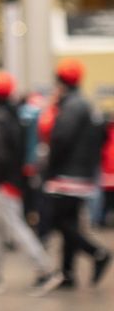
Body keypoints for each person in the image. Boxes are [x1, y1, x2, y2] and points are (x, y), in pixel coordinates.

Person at [0, 72, 63, 296]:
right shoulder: (15, 114)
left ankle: (46, 270)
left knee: (16, 229)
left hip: (4, 182)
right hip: (11, 180)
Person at [41, 59, 111, 289]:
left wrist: (49, 169)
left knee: (59, 221)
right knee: (69, 221)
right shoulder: (85, 104)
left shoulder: (71, 106)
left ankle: (97, 252)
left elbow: (60, 139)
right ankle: (68, 273)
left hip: (67, 176)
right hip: (81, 175)